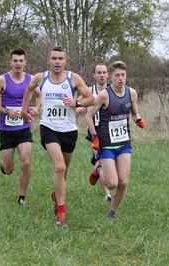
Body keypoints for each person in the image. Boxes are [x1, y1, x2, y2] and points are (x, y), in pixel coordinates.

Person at [21, 46, 95, 227]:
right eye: (54, 58)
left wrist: (76, 102)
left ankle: (56, 195)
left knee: (65, 171)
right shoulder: (41, 78)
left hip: (69, 129)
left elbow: (91, 99)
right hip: (48, 127)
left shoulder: (73, 78)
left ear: (65, 61)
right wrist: (25, 110)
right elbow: (28, 89)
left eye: (60, 58)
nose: (57, 62)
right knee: (60, 167)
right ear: (48, 61)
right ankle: (61, 213)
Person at [85, 61, 146, 219]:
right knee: (112, 183)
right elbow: (89, 116)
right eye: (117, 75)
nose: (121, 79)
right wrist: (94, 137)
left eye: (123, 75)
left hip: (124, 143)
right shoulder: (104, 95)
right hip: (107, 144)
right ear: (110, 77)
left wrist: (138, 119)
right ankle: (99, 169)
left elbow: (135, 112)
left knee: (123, 182)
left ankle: (112, 212)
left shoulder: (131, 93)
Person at [0, 48, 42, 207]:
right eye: (15, 61)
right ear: (11, 62)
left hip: (24, 128)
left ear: (25, 63)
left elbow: (39, 96)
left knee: (26, 162)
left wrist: (36, 108)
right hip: (6, 130)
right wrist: (5, 111)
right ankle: (5, 166)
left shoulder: (31, 79)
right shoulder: (2, 80)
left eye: (21, 61)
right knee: (9, 169)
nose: (18, 64)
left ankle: (22, 198)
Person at [77, 63, 112, 202]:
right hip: (94, 130)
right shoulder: (89, 91)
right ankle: (107, 194)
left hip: (109, 130)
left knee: (109, 161)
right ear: (94, 75)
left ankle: (97, 169)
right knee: (101, 161)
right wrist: (78, 109)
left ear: (108, 75)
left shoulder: (111, 91)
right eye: (99, 72)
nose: (102, 75)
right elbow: (78, 103)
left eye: (104, 72)